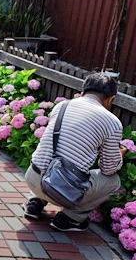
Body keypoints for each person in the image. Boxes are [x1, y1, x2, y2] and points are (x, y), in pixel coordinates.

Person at [23, 73, 125, 232]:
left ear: (83, 91)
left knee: (51, 157)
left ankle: (35, 202)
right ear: (111, 99)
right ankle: (70, 218)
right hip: (62, 191)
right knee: (113, 181)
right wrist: (119, 155)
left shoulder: (61, 106)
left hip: (32, 177)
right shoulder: (112, 122)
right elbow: (109, 169)